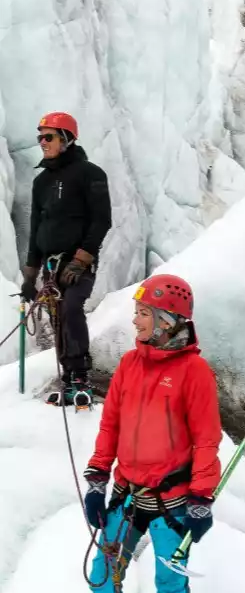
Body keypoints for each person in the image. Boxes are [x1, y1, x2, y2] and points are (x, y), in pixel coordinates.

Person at [69, 274, 222, 593]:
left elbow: (205, 440)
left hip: (172, 501)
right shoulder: (130, 366)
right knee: (103, 575)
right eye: (137, 312)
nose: (134, 320)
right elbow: (110, 426)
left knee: (170, 585)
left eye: (142, 313)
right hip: (127, 495)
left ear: (166, 321)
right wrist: (98, 478)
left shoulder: (194, 373)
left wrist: (202, 498)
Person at [21, 112, 112, 408]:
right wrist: (29, 276)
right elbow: (37, 228)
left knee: (72, 308)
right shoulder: (41, 182)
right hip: (50, 265)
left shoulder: (91, 174)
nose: (42, 143)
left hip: (77, 263)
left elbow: (101, 220)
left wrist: (81, 260)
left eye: (48, 137)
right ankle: (68, 376)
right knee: (58, 317)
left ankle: (81, 376)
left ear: (67, 139)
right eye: (40, 137)